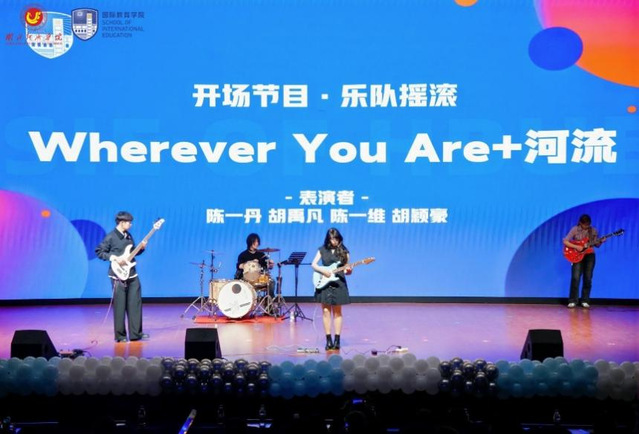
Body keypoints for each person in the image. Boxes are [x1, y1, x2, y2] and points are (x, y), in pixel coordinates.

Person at [95, 211, 149, 342]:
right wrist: (114, 258)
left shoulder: (128, 235)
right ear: (122, 222)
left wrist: (141, 248)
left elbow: (132, 253)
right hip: (117, 275)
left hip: (131, 273)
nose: (131, 225)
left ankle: (136, 334)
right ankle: (120, 336)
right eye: (129, 222)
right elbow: (99, 252)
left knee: (135, 304)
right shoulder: (111, 237)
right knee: (120, 305)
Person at [311, 228, 351, 351]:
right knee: (326, 311)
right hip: (325, 283)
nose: (334, 241)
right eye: (332, 239)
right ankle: (328, 340)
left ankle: (337, 340)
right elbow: (313, 264)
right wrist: (323, 271)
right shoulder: (322, 249)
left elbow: (346, 270)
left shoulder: (344, 251)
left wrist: (348, 270)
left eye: (336, 238)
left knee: (337, 312)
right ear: (328, 239)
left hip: (338, 283)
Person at [563, 214, 604, 309]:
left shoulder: (593, 230)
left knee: (588, 278)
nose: (586, 226)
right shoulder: (575, 229)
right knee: (575, 277)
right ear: (580, 223)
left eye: (588, 224)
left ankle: (585, 300)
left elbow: (596, 245)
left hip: (589, 255)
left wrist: (601, 241)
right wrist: (576, 246)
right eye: (585, 224)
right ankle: (573, 300)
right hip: (577, 255)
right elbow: (565, 241)